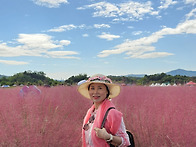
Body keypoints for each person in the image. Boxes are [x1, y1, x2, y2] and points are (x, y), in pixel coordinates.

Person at [78, 74, 130, 147]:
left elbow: (126, 141)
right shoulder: (90, 112)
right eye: (92, 88)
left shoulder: (112, 113)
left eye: (100, 88)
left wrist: (108, 137)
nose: (95, 92)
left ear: (107, 92)